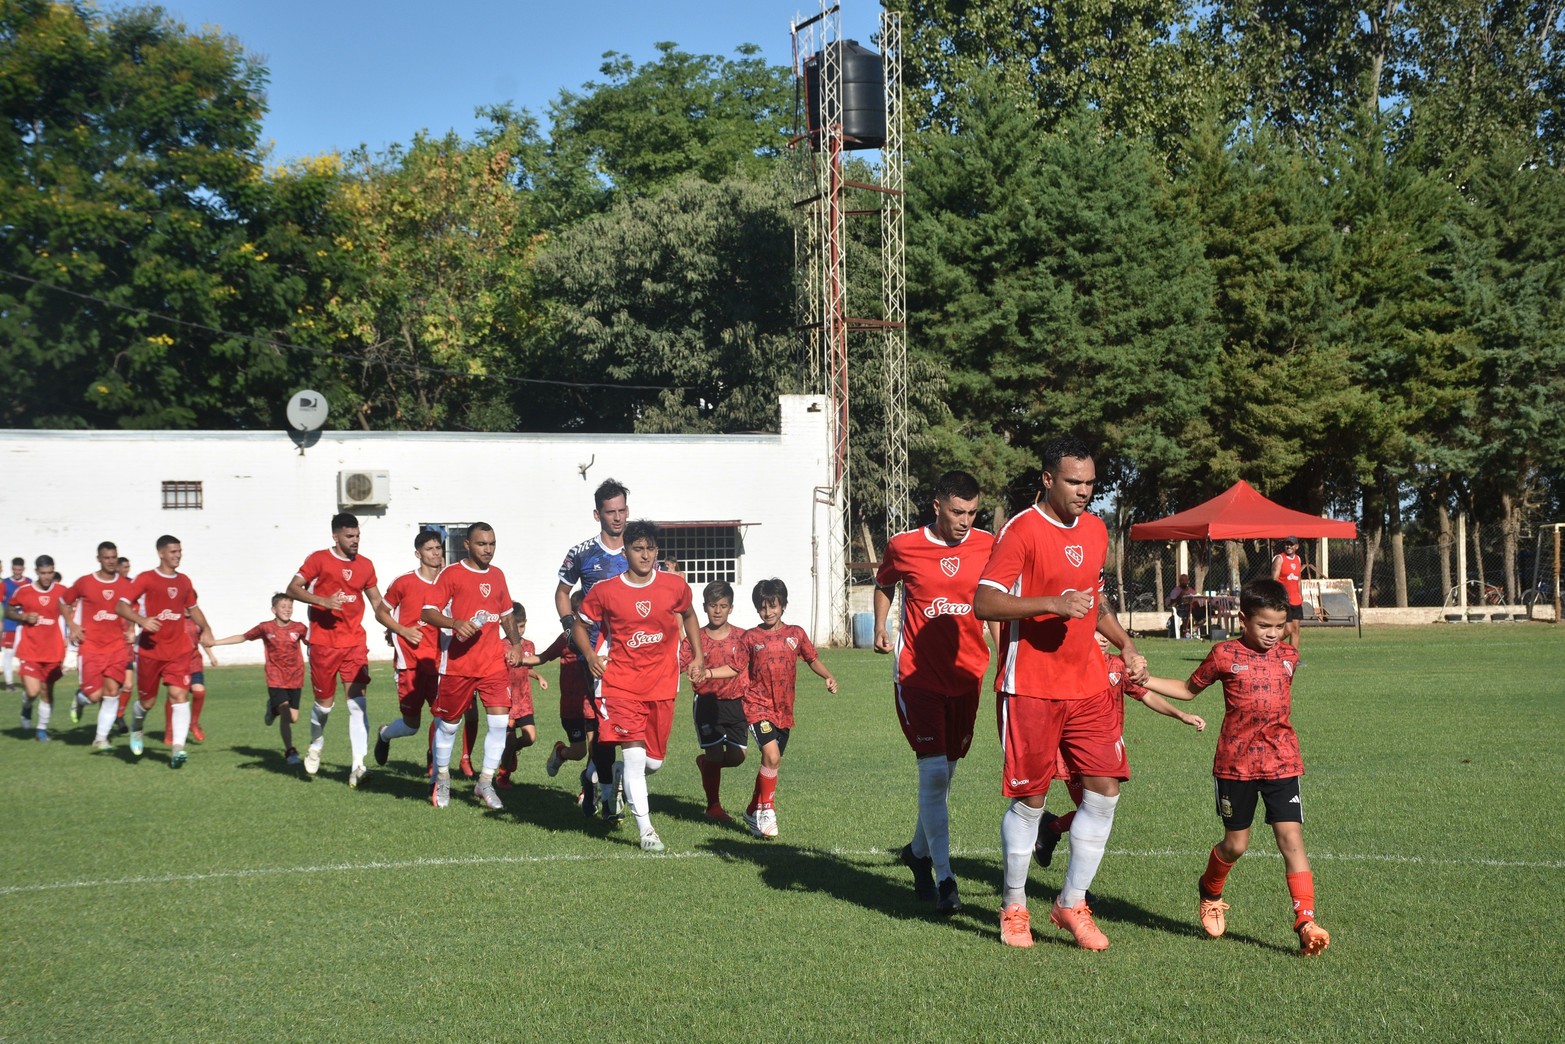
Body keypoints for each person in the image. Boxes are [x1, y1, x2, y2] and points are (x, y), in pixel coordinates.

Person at [973, 436, 1148, 951]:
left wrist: (1124, 642)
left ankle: (1071, 902)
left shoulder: (1096, 530)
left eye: (1091, 483)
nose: (1084, 492)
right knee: (1031, 800)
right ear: (1047, 478)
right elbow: (984, 602)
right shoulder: (1021, 530)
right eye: (1074, 481)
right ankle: (1014, 905)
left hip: (1090, 685)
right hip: (1030, 687)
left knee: (1105, 792)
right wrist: (1051, 602)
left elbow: (1095, 597)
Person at [1140, 578, 1331, 957]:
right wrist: (1146, 680)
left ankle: (1305, 921)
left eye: (1279, 626)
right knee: (1235, 845)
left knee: (1291, 839)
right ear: (1243, 619)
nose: (1273, 634)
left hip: (1282, 760)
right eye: (1264, 626)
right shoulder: (1224, 654)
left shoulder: (1290, 659)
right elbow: (1188, 689)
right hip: (1235, 764)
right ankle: (1210, 891)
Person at [872, 469, 996, 914]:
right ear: (937, 506)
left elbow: (996, 601)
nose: (966, 520)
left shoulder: (988, 545)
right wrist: (883, 624)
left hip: (969, 674)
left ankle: (916, 854)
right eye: (958, 511)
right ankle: (946, 879)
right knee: (935, 772)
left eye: (973, 512)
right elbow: (885, 581)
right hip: (917, 677)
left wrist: (1003, 654)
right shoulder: (904, 546)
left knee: (949, 772)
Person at [574, 520, 704, 852]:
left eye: (650, 549)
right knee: (635, 758)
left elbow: (689, 615)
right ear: (626, 551)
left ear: (656, 551)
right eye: (637, 548)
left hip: (662, 685)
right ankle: (647, 830)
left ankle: (616, 772)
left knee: (654, 763)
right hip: (621, 686)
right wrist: (589, 654)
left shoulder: (673, 586)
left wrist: (698, 655)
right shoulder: (605, 590)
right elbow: (580, 624)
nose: (644, 555)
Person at [1033, 632, 1206, 868]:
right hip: (1073, 751)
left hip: (1105, 749)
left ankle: (1052, 830)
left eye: (1106, 634)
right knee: (1093, 814)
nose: (1103, 639)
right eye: (1096, 633)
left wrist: (1181, 715)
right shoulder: (1067, 666)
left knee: (1097, 813)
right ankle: (1075, 887)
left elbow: (1147, 694)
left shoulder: (1116, 665)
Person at [286, 512, 409, 787]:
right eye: (349, 536)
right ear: (335, 536)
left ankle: (358, 767)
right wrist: (322, 601)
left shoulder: (365, 565)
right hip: (323, 645)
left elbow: (376, 601)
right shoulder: (318, 559)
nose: (355, 541)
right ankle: (316, 743)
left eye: (357, 536)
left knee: (358, 705)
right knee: (324, 707)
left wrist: (391, 626)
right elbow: (292, 588)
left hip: (354, 644)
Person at [420, 523, 524, 810]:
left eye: (492, 543)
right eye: (481, 544)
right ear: (467, 544)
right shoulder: (451, 574)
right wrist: (455, 624)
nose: (488, 549)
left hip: (492, 663)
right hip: (458, 664)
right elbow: (427, 612)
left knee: (500, 723)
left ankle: (485, 782)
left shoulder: (498, 575)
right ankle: (442, 778)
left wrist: (515, 645)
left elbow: (506, 616)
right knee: (450, 727)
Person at [554, 478, 630, 820]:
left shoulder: (639, 548)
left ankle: (595, 777)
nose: (617, 518)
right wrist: (571, 627)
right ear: (597, 514)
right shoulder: (582, 553)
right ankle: (609, 792)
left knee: (630, 724)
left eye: (622, 511)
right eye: (610, 512)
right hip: (597, 652)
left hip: (635, 650)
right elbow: (561, 593)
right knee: (605, 723)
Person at [741, 577, 838, 840]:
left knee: (770, 762)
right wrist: (711, 674)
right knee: (772, 757)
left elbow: (812, 658)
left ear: (783, 605)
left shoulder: (795, 634)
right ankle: (768, 810)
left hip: (783, 710)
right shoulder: (751, 637)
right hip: (757, 705)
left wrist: (827, 676)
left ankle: (752, 811)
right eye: (762, 607)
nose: (768, 612)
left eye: (773, 606)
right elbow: (737, 667)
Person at [116, 535, 212, 768]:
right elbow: (120, 606)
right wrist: (141, 620)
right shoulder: (146, 579)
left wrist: (206, 628)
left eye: (179, 551)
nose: (177, 555)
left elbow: (193, 608)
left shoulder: (184, 581)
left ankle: (177, 749)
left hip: (178, 651)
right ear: (161, 553)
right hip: (150, 651)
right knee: (147, 703)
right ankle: (137, 728)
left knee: (180, 697)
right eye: (172, 552)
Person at [372, 530, 445, 771]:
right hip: (409, 665)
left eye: (438, 548)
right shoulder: (403, 582)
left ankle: (434, 762)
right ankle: (384, 734)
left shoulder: (448, 583)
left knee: (443, 717)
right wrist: (402, 630)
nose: (435, 553)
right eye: (429, 549)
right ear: (418, 554)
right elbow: (381, 612)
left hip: (438, 664)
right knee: (411, 725)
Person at [207, 594, 309, 764]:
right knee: (285, 713)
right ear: (273, 610)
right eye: (283, 606)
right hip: (275, 677)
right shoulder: (265, 628)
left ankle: (272, 708)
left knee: (293, 718)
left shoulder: (299, 628)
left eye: (290, 606)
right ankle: (290, 752)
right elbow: (243, 637)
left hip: (295, 677)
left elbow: (313, 643)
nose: (287, 610)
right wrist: (216, 642)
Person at [680, 580, 751, 822]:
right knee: (714, 755)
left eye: (723, 605)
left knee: (738, 757)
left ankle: (706, 765)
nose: (717, 610)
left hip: (737, 703)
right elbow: (678, 663)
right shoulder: (694, 638)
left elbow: (739, 666)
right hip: (707, 704)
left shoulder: (743, 637)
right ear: (704, 607)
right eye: (712, 605)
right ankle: (713, 806)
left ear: (731, 608)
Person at [64, 542, 136, 750]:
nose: (111, 561)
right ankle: (79, 699)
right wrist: (72, 624)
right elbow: (63, 601)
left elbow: (128, 608)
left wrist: (131, 628)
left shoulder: (125, 584)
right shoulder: (85, 582)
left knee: (113, 692)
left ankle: (101, 738)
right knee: (94, 696)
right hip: (91, 647)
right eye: (107, 558)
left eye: (114, 557)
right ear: (98, 559)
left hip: (116, 647)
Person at [6, 554, 74, 741]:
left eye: (50, 572)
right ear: (36, 572)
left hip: (53, 650)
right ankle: (26, 707)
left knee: (47, 691)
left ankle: (41, 729)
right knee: (32, 691)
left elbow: (71, 611)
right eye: (43, 573)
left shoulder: (62, 591)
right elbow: (9, 611)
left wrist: (72, 633)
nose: (47, 577)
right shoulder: (24, 591)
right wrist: (24, 617)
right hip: (29, 649)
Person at [539, 591, 592, 785]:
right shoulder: (566, 639)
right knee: (578, 753)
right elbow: (543, 657)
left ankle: (588, 789)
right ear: (574, 615)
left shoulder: (599, 638)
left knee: (596, 750)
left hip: (593, 704)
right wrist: (520, 660)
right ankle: (561, 752)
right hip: (571, 707)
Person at [495, 602, 550, 788]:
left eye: (522, 626)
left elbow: (528, 668)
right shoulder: (499, 646)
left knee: (530, 738)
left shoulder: (529, 646)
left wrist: (539, 676)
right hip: (507, 702)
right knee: (508, 742)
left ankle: (511, 753)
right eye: (516, 627)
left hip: (524, 701)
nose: (519, 631)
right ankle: (503, 774)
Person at [1271, 537, 1305, 651]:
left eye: (1291, 545)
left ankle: (1293, 657)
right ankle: (1270, 645)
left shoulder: (1298, 559)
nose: (1289, 547)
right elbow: (1274, 580)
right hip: (1284, 600)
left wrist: (1300, 594)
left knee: (1296, 630)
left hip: (1296, 600)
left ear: (1297, 547)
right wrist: (1277, 597)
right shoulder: (1280, 559)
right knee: (1288, 629)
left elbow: (1298, 579)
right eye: (1287, 544)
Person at [3, 557, 30, 691]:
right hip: (9, 624)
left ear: (23, 569)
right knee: (9, 653)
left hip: (24, 624)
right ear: (12, 568)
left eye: (19, 569)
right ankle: (9, 683)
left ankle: (27, 680)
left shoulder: (29, 583)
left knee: (25, 653)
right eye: (15, 569)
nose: (17, 572)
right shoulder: (4, 583)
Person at [1166, 573, 1198, 639]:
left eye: (1186, 580)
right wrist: (1180, 596)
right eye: (1182, 580)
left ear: (1188, 581)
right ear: (1179, 581)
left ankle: (1192, 629)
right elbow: (1172, 604)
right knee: (1188, 611)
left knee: (1206, 612)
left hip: (1192, 609)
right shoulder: (1176, 590)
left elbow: (1196, 598)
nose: (1184, 582)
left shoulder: (1191, 590)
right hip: (1180, 610)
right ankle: (1185, 632)